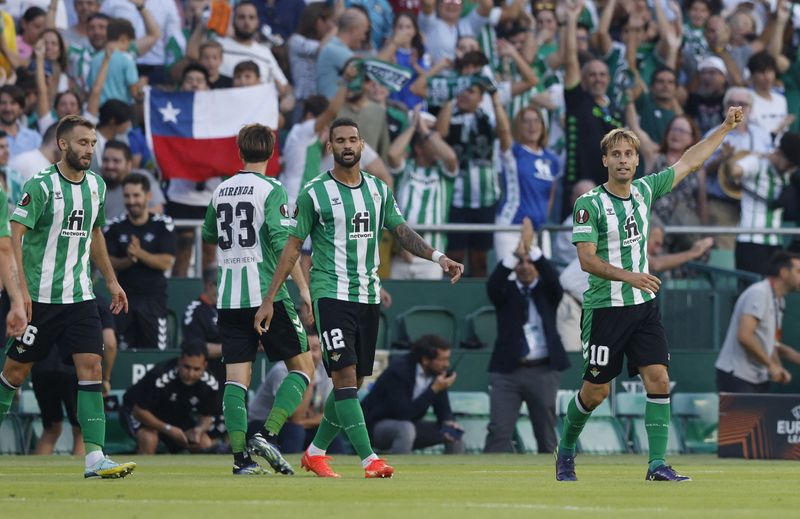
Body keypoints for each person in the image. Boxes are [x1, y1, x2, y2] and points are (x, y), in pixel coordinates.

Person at [259, 118, 464, 478]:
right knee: (345, 377)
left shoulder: (378, 190)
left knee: (353, 383)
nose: (348, 146)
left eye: (353, 139)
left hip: (367, 295)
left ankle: (315, 452)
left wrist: (438, 257)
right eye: (340, 141)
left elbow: (401, 231)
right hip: (330, 293)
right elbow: (292, 250)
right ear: (330, 147)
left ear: (362, 144)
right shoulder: (314, 192)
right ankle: (370, 459)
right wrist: (270, 298)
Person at [555, 106, 744, 483]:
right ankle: (566, 450)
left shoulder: (644, 190)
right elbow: (587, 260)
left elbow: (689, 161)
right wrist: (631, 276)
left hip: (643, 308)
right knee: (595, 394)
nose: (623, 160)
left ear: (637, 160)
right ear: (605, 160)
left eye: (629, 154)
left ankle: (657, 464)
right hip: (606, 308)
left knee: (657, 379)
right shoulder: (588, 204)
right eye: (616, 154)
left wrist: (724, 128)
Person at [0, 115, 134, 479]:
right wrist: (21, 292)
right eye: (82, 143)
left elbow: (95, 233)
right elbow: (14, 235)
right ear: (63, 144)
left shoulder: (96, 186)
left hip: (80, 297)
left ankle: (95, 457)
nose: (89, 149)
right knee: (14, 372)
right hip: (39, 299)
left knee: (90, 367)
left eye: (92, 143)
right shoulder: (41, 185)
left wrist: (111, 280)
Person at [201, 123, 316, 476]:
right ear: (272, 152)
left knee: (236, 378)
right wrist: (304, 289)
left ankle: (241, 460)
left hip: (229, 297)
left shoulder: (221, 191)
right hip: (267, 294)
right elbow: (286, 245)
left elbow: (209, 234)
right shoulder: (272, 189)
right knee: (304, 368)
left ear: (239, 150)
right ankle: (267, 434)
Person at [485, 218, 568, 453]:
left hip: (542, 370)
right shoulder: (506, 293)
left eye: (529, 263)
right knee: (498, 430)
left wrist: (532, 249)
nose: (525, 266)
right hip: (507, 371)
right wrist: (515, 254)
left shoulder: (547, 293)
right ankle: (487, 480)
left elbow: (553, 281)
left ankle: (550, 480)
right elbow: (493, 284)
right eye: (520, 263)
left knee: (546, 432)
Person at [32, 295, 117, 455]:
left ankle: (30, 475)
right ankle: (80, 473)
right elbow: (110, 343)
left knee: (50, 430)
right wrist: (105, 378)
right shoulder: (95, 301)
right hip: (76, 370)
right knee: (81, 429)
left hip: (42, 367)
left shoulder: (44, 296)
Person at [104, 173, 176, 350]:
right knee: (121, 353)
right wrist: (129, 260)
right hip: (123, 299)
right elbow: (107, 262)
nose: (131, 201)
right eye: (127, 196)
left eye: (136, 195)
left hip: (154, 300)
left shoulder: (162, 224)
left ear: (148, 196)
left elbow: (166, 262)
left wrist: (139, 253)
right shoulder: (114, 226)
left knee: (155, 354)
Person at [362, 334, 464, 455]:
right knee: (405, 429)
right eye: (442, 360)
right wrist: (434, 389)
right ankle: (401, 470)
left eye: (447, 359)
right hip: (377, 427)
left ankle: (452, 472)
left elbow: (443, 410)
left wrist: (448, 421)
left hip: (411, 424)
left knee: (453, 432)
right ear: (425, 359)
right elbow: (402, 412)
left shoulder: (437, 373)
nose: (446, 364)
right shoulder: (399, 370)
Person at [247, 327, 343, 454]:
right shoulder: (281, 370)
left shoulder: (325, 371)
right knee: (295, 431)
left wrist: (304, 422)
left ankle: (331, 467)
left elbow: (328, 414)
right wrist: (309, 381)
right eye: (305, 349)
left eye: (314, 349)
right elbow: (294, 417)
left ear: (322, 352)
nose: (309, 355)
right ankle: (289, 466)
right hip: (261, 426)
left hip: (298, 425)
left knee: (332, 436)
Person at [388, 107, 458, 280]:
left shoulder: (444, 172)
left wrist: (426, 130)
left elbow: (451, 158)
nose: (436, 144)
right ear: (419, 148)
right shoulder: (406, 168)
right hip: (402, 254)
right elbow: (392, 154)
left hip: (432, 258)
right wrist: (413, 127)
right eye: (430, 141)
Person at [715, 251, 800, 393]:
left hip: (757, 378)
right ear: (784, 273)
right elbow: (744, 336)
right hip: (737, 377)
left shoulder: (779, 301)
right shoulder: (759, 293)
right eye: (799, 271)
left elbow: (772, 344)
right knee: (742, 417)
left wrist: (777, 367)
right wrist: (771, 366)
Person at [121, 341, 220, 454]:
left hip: (175, 415)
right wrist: (168, 429)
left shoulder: (211, 384)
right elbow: (138, 411)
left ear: (204, 366)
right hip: (139, 411)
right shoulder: (160, 376)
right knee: (149, 439)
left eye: (196, 369)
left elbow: (206, 418)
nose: (190, 374)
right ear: (180, 361)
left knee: (204, 443)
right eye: (187, 367)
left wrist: (199, 430)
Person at [727, 132, 800, 275]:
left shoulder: (788, 173)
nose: (790, 168)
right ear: (778, 152)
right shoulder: (756, 162)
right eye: (789, 163)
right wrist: (730, 158)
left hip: (775, 241)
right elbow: (734, 172)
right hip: (751, 240)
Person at [495, 105, 560, 261]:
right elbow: (503, 131)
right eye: (526, 122)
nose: (533, 126)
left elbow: (550, 196)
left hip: (540, 229)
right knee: (508, 278)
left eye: (537, 121)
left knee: (542, 280)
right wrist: (496, 99)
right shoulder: (514, 152)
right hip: (511, 226)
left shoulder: (552, 160)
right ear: (518, 126)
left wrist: (541, 217)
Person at [100, 140, 164, 219]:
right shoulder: (95, 184)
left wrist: (129, 224)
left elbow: (158, 209)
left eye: (116, 161)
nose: (110, 166)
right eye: (105, 160)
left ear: (129, 164)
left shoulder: (142, 178)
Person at [0, 85, 42, 157]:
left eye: (13, 103)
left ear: (21, 108)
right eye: (3, 103)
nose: (8, 108)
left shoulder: (34, 137)